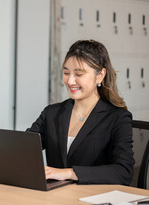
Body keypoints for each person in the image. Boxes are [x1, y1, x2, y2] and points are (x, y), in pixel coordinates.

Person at [27, 40, 134, 185]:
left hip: (95, 200)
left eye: (79, 74)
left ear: (100, 75)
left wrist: (69, 173)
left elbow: (123, 172)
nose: (70, 81)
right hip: (55, 196)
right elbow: (24, 148)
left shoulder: (118, 118)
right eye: (66, 73)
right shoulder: (51, 113)